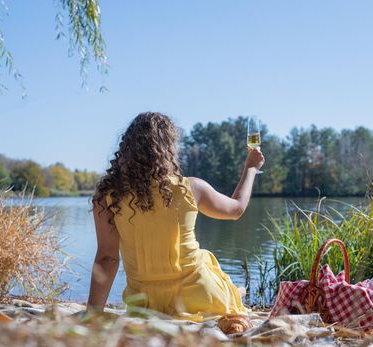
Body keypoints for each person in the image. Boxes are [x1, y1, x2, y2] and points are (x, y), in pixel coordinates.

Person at [87, 112, 265, 321]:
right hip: (199, 297)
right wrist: (251, 167)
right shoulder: (190, 188)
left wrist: (92, 314)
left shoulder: (108, 197)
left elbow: (107, 258)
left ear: (127, 150)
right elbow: (236, 209)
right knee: (211, 267)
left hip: (144, 305)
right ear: (168, 149)